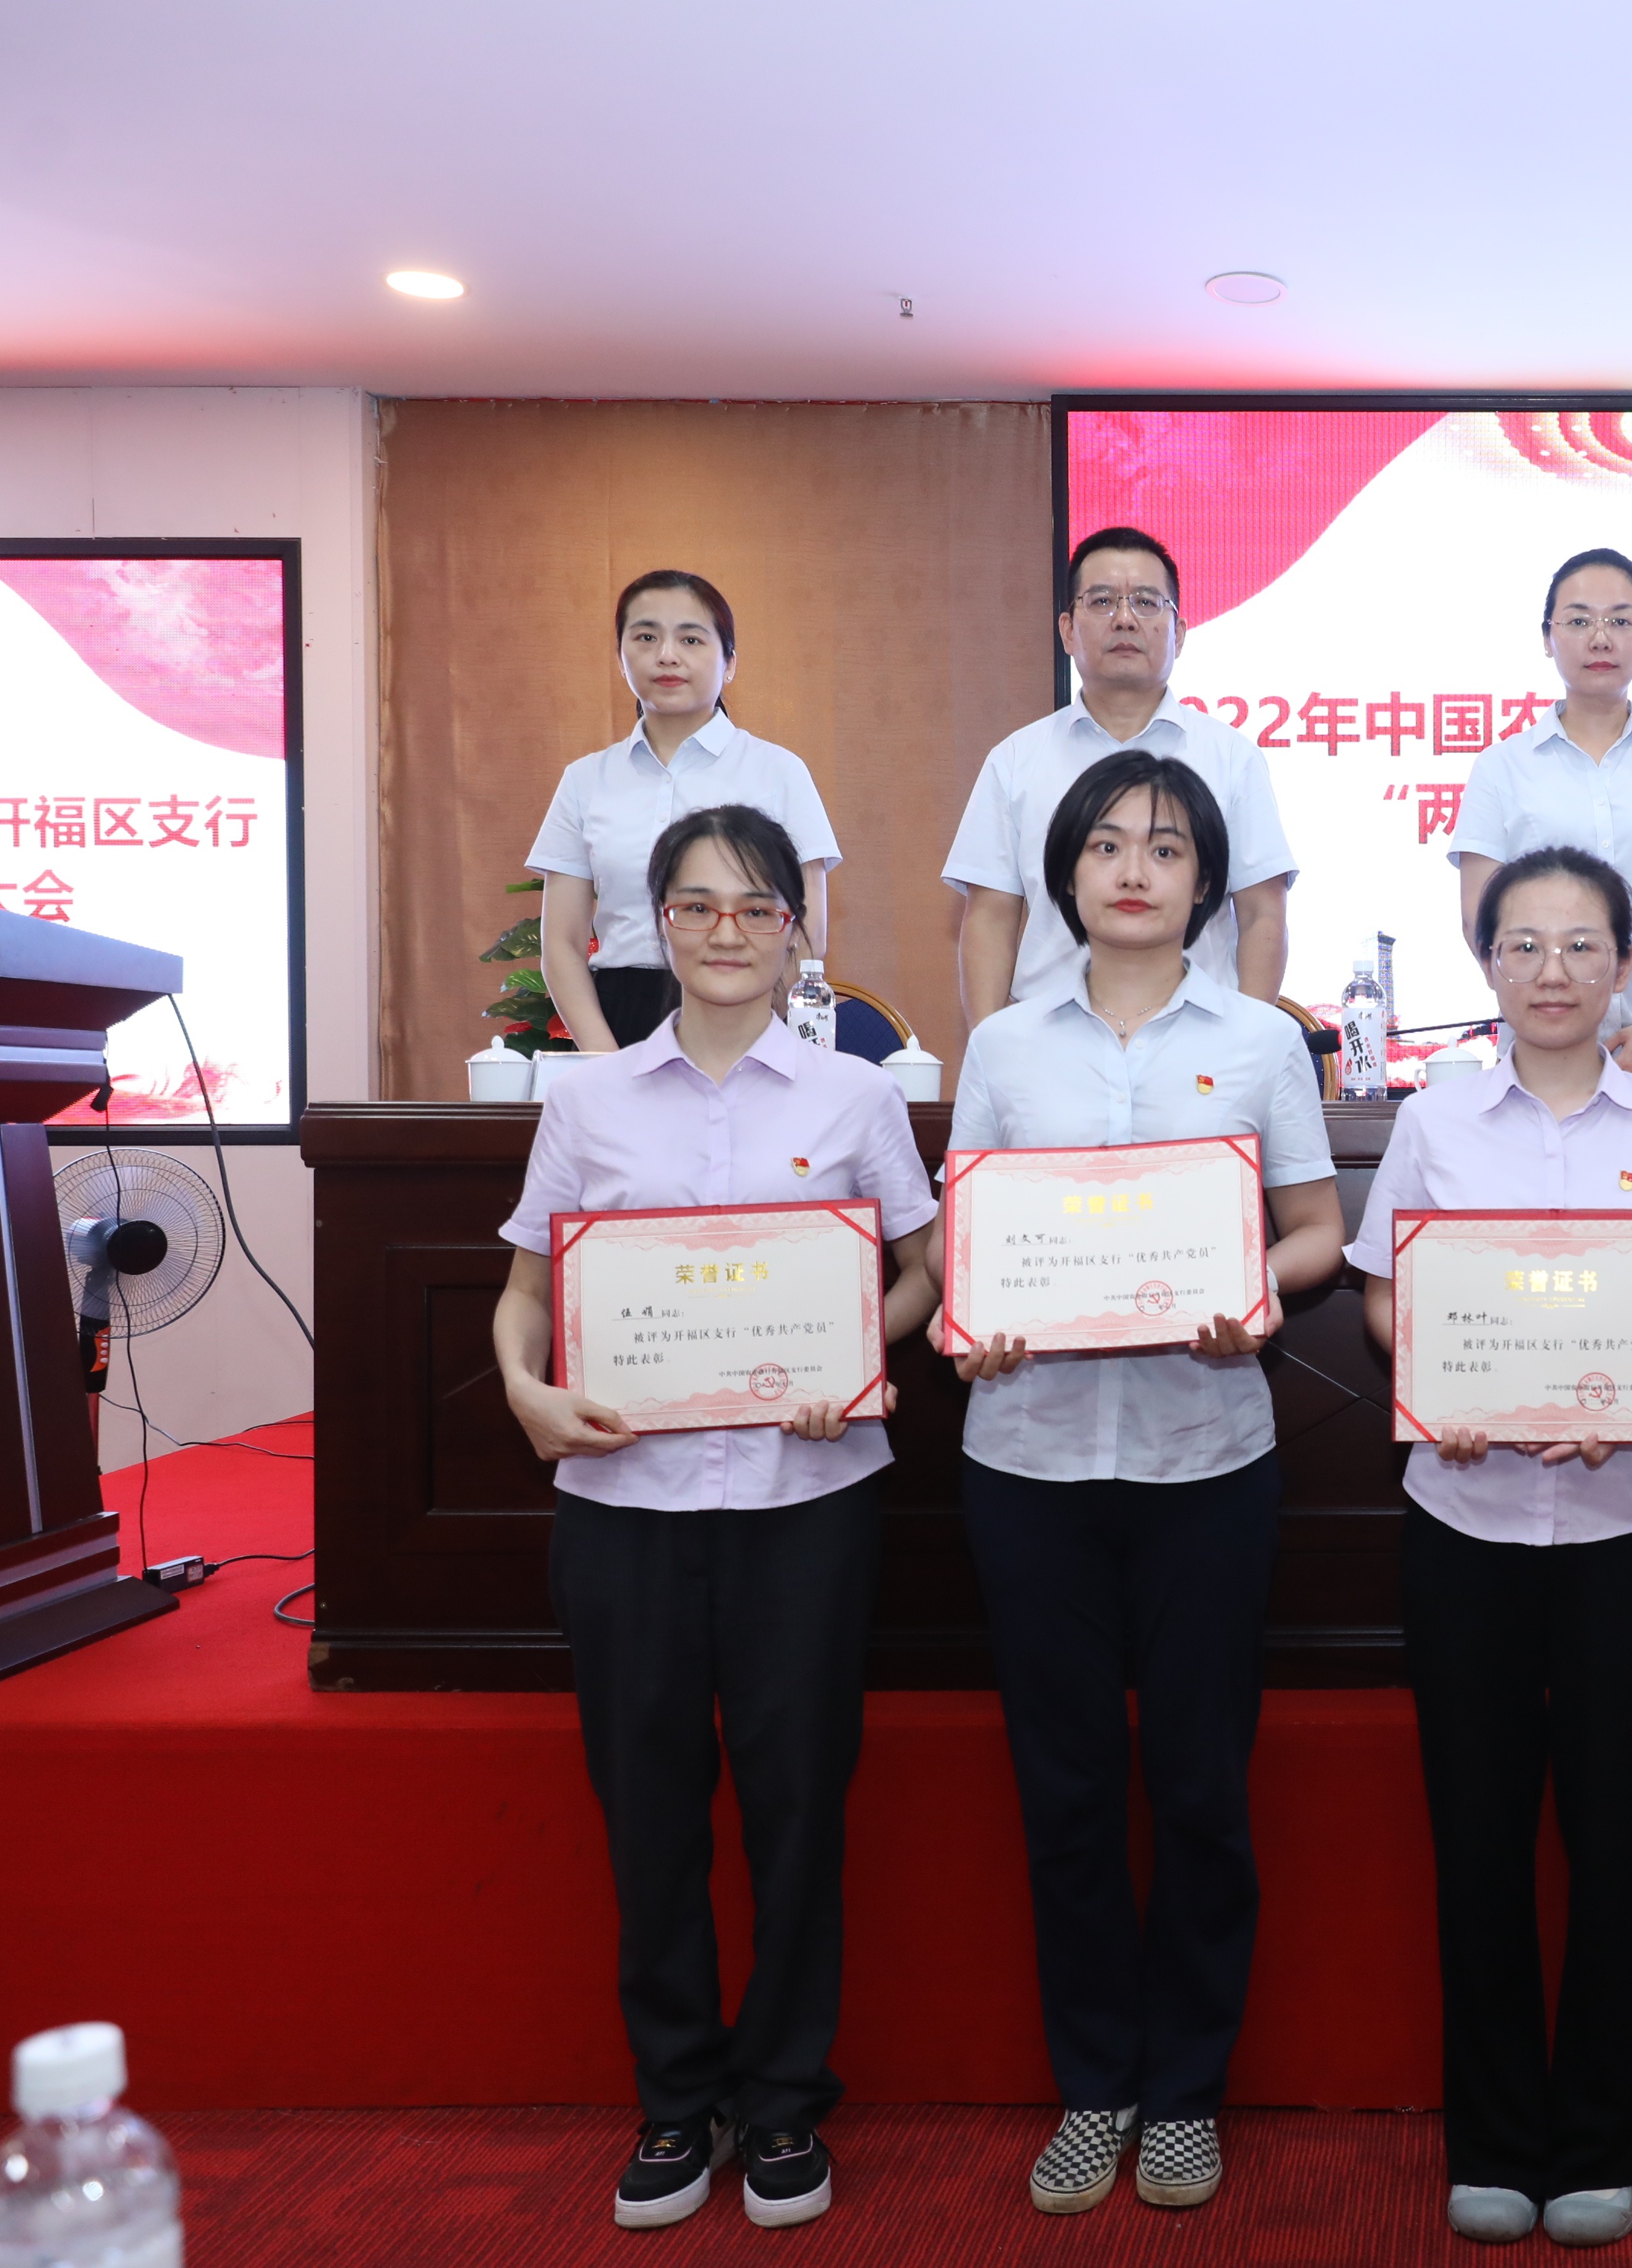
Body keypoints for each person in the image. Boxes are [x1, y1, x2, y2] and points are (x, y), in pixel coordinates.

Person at [491, 802, 938, 2233]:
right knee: (650, 1812)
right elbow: (526, 1290)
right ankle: (677, 2099)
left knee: (799, 1809)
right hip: (625, 1504)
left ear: (795, 931)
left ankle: (787, 2097)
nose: (727, 933)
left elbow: (922, 1271)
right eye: (697, 907)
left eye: (755, 908)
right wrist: (524, 1391)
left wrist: (855, 1353)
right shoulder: (589, 1100)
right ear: (657, 928)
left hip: (807, 1502)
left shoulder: (853, 1098)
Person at [931, 750, 1346, 2221]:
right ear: (1064, 873)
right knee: (1064, 1793)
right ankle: (1093, 2084)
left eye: (1165, 849)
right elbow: (967, 1240)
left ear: (1205, 881)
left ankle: (1182, 2094)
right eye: (1105, 844)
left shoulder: (1258, 1041)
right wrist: (966, 1322)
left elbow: (1314, 1226)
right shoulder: (1003, 1047)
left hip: (1203, 1459)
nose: (1132, 869)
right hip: (1029, 1462)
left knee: (1197, 1788)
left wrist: (1257, 1293)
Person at [1345, 846, 1632, 2250]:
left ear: (1626, 964)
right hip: (1465, 1522)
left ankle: (1596, 2140)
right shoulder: (1435, 1120)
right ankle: (1493, 2138)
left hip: (1631, 1524)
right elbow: (1387, 1297)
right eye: (1523, 945)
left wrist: (1631, 1400)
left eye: (1582, 945)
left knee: (1617, 1838)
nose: (1554, 971)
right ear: (1487, 967)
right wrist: (1442, 1382)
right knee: (1478, 1836)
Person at [943, 525, 1297, 1037]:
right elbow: (989, 918)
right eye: (1103, 601)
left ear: (1179, 633)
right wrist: (994, 1052)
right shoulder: (1015, 761)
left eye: (1147, 603)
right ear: (1068, 630)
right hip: (1051, 1044)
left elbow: (1264, 913)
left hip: (1198, 1047)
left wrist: (1246, 1048)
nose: (1126, 618)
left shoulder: (1232, 758)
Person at [1452, 549, 1632, 1080]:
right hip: (1539, 1061)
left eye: (1620, 621)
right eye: (1578, 621)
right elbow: (1479, 916)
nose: (1600, 638)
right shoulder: (1502, 768)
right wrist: (1548, 1026)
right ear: (1547, 637)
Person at [530, 572, 841, 1050]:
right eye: (646, 637)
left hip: (744, 1014)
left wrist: (755, 1041)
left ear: (729, 663)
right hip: (616, 1021)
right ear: (621, 659)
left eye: (690, 639)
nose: (667, 655)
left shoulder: (779, 772)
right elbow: (562, 944)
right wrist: (606, 1063)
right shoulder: (585, 779)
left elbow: (807, 931)